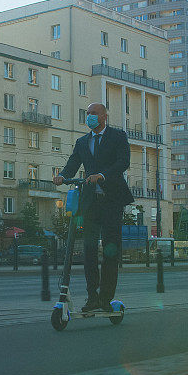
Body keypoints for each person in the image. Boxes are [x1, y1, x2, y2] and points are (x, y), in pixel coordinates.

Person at [53, 103, 134, 312]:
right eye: (87, 114)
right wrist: (63, 176)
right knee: (89, 250)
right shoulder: (82, 142)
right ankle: (92, 297)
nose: (90, 117)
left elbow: (123, 162)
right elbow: (73, 163)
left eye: (94, 113)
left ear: (104, 116)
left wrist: (102, 176)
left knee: (110, 250)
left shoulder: (118, 136)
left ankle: (106, 298)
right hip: (90, 202)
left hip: (112, 200)